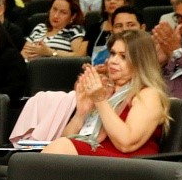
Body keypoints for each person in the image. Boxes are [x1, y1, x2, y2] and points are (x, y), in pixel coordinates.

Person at [41, 30, 170, 158]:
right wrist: (81, 114)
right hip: (98, 160)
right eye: (113, 54)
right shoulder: (107, 91)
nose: (113, 61)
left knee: (60, 148)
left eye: (123, 56)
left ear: (141, 62)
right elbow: (66, 140)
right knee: (58, 148)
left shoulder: (149, 94)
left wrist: (100, 101)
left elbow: (126, 143)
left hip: (128, 167)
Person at [21, 0, 87, 60]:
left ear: (73, 16)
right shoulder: (40, 27)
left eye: (63, 12)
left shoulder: (75, 30)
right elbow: (24, 52)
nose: (56, 16)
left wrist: (50, 52)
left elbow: (78, 56)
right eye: (54, 9)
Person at [85, 0, 132, 64]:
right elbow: (82, 55)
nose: (112, 1)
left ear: (126, 3)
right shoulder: (94, 28)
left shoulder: (130, 27)